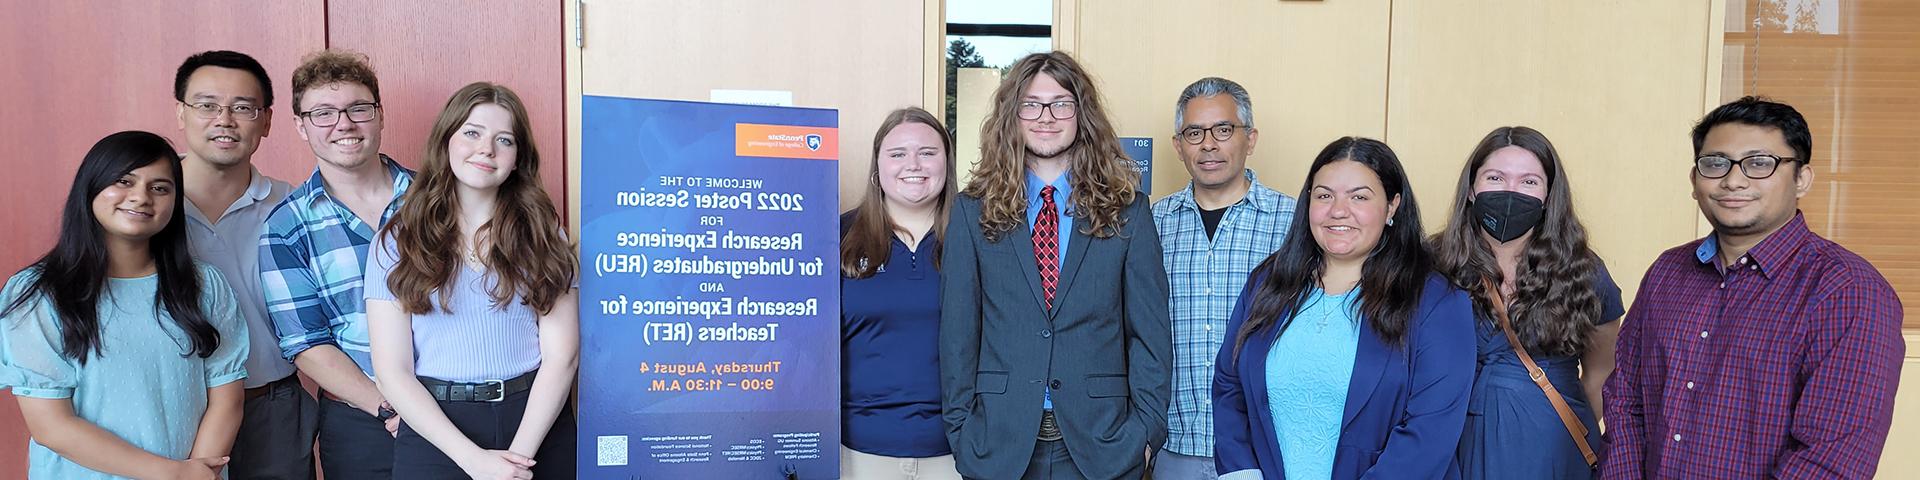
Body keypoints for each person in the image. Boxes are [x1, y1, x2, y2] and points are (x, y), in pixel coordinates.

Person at [1602, 97, 1904, 479]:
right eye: (1715, 163)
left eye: (1759, 163)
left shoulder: (1848, 291)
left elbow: (1830, 459)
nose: (1734, 180)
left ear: (1802, 179)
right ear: (1695, 181)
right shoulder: (1668, 272)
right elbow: (1625, 402)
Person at [940, 50, 1171, 480]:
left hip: (1103, 448)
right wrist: (960, 431)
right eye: (1031, 103)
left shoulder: (1129, 213)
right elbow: (958, 334)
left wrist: (1145, 433)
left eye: (1061, 102)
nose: (1046, 115)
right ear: (1013, 114)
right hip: (999, 447)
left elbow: (1150, 337)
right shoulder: (972, 212)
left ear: (1082, 114)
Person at [1213, 137, 1474, 480]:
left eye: (1359, 197)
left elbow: (1429, 432)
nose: (1338, 210)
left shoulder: (1436, 301)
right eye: (1324, 195)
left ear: (1393, 206)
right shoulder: (1268, 283)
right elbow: (1229, 386)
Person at [1, 131, 248, 479]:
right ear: (91, 187)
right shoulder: (38, 293)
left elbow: (226, 398)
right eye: (123, 181)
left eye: (160, 187)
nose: (141, 197)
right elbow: (52, 426)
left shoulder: (205, 285)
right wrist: (173, 474)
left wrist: (195, 474)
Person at [364, 82, 578, 479]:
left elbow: (562, 356)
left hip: (535, 420)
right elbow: (392, 370)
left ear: (517, 158)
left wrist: (517, 459)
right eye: (472, 133)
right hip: (437, 430)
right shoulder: (396, 241)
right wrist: (473, 461)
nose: (487, 149)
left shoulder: (545, 235)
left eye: (504, 139)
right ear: (446, 140)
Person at [1432, 127, 1623, 479]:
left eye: (1529, 182)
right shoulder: (1433, 263)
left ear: (1550, 194)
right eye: (1495, 177)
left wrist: (1547, 422)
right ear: (1472, 189)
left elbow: (1601, 372)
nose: (1510, 191)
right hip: (1450, 442)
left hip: (1552, 447)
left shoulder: (1584, 270)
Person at [259, 49, 413, 480]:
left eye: (358, 108)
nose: (343, 124)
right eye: (323, 113)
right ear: (301, 126)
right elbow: (306, 344)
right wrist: (388, 408)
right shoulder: (287, 226)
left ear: (379, 115)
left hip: (459, 406)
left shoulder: (439, 199)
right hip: (364, 421)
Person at [172, 50, 317, 480]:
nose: (225, 119)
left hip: (269, 408)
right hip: (173, 407)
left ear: (267, 121)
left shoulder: (294, 207)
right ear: (181, 113)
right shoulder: (145, 204)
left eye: (242, 108)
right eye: (207, 105)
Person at [1151, 77, 1296, 480]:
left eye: (1223, 130)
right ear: (1178, 145)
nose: (1209, 144)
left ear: (1250, 138)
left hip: (1265, 448)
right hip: (1173, 446)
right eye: (1194, 133)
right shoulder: (1150, 225)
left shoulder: (1295, 223)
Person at [838, 107, 962, 480]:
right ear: (877, 169)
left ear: (946, 163)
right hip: (857, 454)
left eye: (927, 152)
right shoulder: (835, 237)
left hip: (957, 455)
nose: (914, 164)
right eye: (897, 154)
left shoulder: (979, 239)